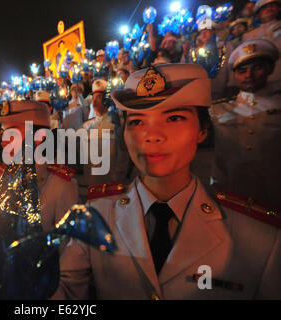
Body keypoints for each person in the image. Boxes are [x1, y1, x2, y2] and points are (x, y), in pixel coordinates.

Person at [52, 63, 281, 299]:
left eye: (174, 118)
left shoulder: (260, 239)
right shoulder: (95, 216)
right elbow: (65, 292)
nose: (152, 135)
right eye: (137, 122)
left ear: (202, 130)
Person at [209, 39, 281, 207]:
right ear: (234, 75)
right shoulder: (219, 107)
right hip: (229, 192)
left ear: (270, 68)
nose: (249, 75)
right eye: (242, 71)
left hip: (273, 195)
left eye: (257, 67)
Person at [0, 100, 79, 231]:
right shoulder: (2, 183)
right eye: (3, 134)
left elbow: (70, 245)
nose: (4, 142)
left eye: (12, 133)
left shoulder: (61, 187)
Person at [78, 79, 133, 202]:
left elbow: (123, 156)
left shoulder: (118, 124)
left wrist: (117, 181)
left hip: (112, 191)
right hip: (91, 190)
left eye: (99, 97)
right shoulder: (86, 126)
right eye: (93, 97)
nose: (94, 101)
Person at [243, 0, 281, 82]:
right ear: (258, 15)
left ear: (278, 8)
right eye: (264, 8)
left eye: (272, 5)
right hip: (259, 83)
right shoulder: (248, 36)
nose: (269, 9)